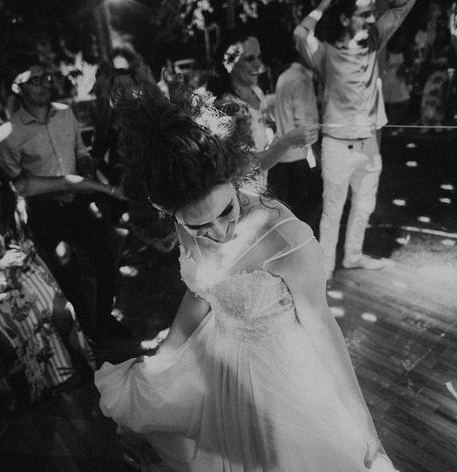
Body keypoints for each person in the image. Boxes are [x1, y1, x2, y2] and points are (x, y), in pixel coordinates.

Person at [95, 86, 396, 471]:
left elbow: (323, 328)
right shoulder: (185, 210)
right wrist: (164, 359)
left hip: (285, 383)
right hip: (221, 371)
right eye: (199, 225)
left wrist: (365, 427)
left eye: (227, 211)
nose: (219, 232)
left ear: (234, 179)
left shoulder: (287, 238)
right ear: (165, 209)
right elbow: (200, 293)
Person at [0, 144, 96, 401]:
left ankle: (77, 371)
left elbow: (67, 182)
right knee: (22, 320)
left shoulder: (15, 192)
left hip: (32, 270)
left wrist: (114, 190)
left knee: (62, 311)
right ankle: (40, 388)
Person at [0, 62, 128, 339]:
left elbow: (81, 151)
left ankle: (104, 317)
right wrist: (54, 190)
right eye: (34, 80)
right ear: (17, 88)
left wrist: (87, 169)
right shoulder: (9, 133)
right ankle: (85, 331)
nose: (44, 83)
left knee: (106, 256)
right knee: (66, 268)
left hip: (79, 200)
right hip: (45, 210)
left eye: (45, 77)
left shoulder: (65, 113)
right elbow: (16, 184)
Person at [294, 0, 417, 281]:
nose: (372, 19)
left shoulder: (374, 40)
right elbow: (300, 33)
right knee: (333, 210)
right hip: (338, 147)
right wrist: (324, 4)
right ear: (345, 18)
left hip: (369, 146)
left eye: (373, 12)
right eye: (364, 14)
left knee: (365, 206)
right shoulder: (324, 52)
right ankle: (324, 268)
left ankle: (352, 256)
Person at [208, 33, 319, 189]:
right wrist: (288, 141)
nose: (258, 64)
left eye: (259, 57)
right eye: (250, 59)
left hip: (262, 188)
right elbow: (247, 166)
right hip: (241, 197)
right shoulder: (229, 108)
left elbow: (268, 130)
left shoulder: (257, 93)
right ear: (228, 63)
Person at [268, 48, 320, 222]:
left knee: (292, 201)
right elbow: (304, 121)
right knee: (305, 205)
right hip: (297, 150)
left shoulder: (286, 75)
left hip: (285, 151)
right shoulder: (301, 79)